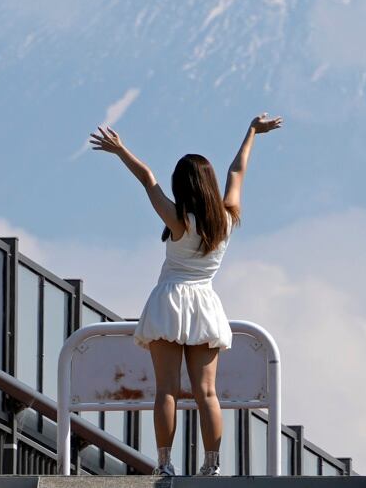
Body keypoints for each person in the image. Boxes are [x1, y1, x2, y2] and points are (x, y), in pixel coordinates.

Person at [89, 113, 283, 476]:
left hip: (169, 301)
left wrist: (120, 150)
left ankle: (164, 463)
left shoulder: (178, 220)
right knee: (207, 393)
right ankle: (211, 465)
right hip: (205, 303)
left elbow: (148, 180)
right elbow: (237, 172)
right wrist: (252, 131)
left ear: (183, 186)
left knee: (166, 390)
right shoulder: (226, 219)